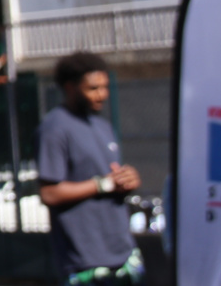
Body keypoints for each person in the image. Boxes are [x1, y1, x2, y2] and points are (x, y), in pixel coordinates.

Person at [37, 51, 143, 286]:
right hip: (87, 264)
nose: (102, 94)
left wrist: (128, 180)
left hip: (125, 255)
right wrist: (103, 184)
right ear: (70, 87)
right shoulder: (54, 128)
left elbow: (112, 179)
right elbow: (49, 193)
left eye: (104, 87)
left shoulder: (103, 126)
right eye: (93, 88)